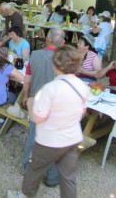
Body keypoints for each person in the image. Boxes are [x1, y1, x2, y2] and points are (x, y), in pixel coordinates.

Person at [7, 45, 89, 198]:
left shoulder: (51, 88)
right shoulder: (82, 86)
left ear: (56, 65)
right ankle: (52, 179)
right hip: (72, 138)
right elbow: (82, 113)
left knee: (34, 169)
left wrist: (31, 103)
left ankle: (23, 195)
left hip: (50, 139)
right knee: (68, 178)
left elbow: (38, 117)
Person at [21, 28, 66, 188]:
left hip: (37, 101)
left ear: (46, 40)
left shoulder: (35, 55)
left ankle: (27, 168)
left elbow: (27, 80)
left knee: (34, 135)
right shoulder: (65, 60)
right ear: (63, 43)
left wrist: (26, 97)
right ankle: (52, 177)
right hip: (57, 105)